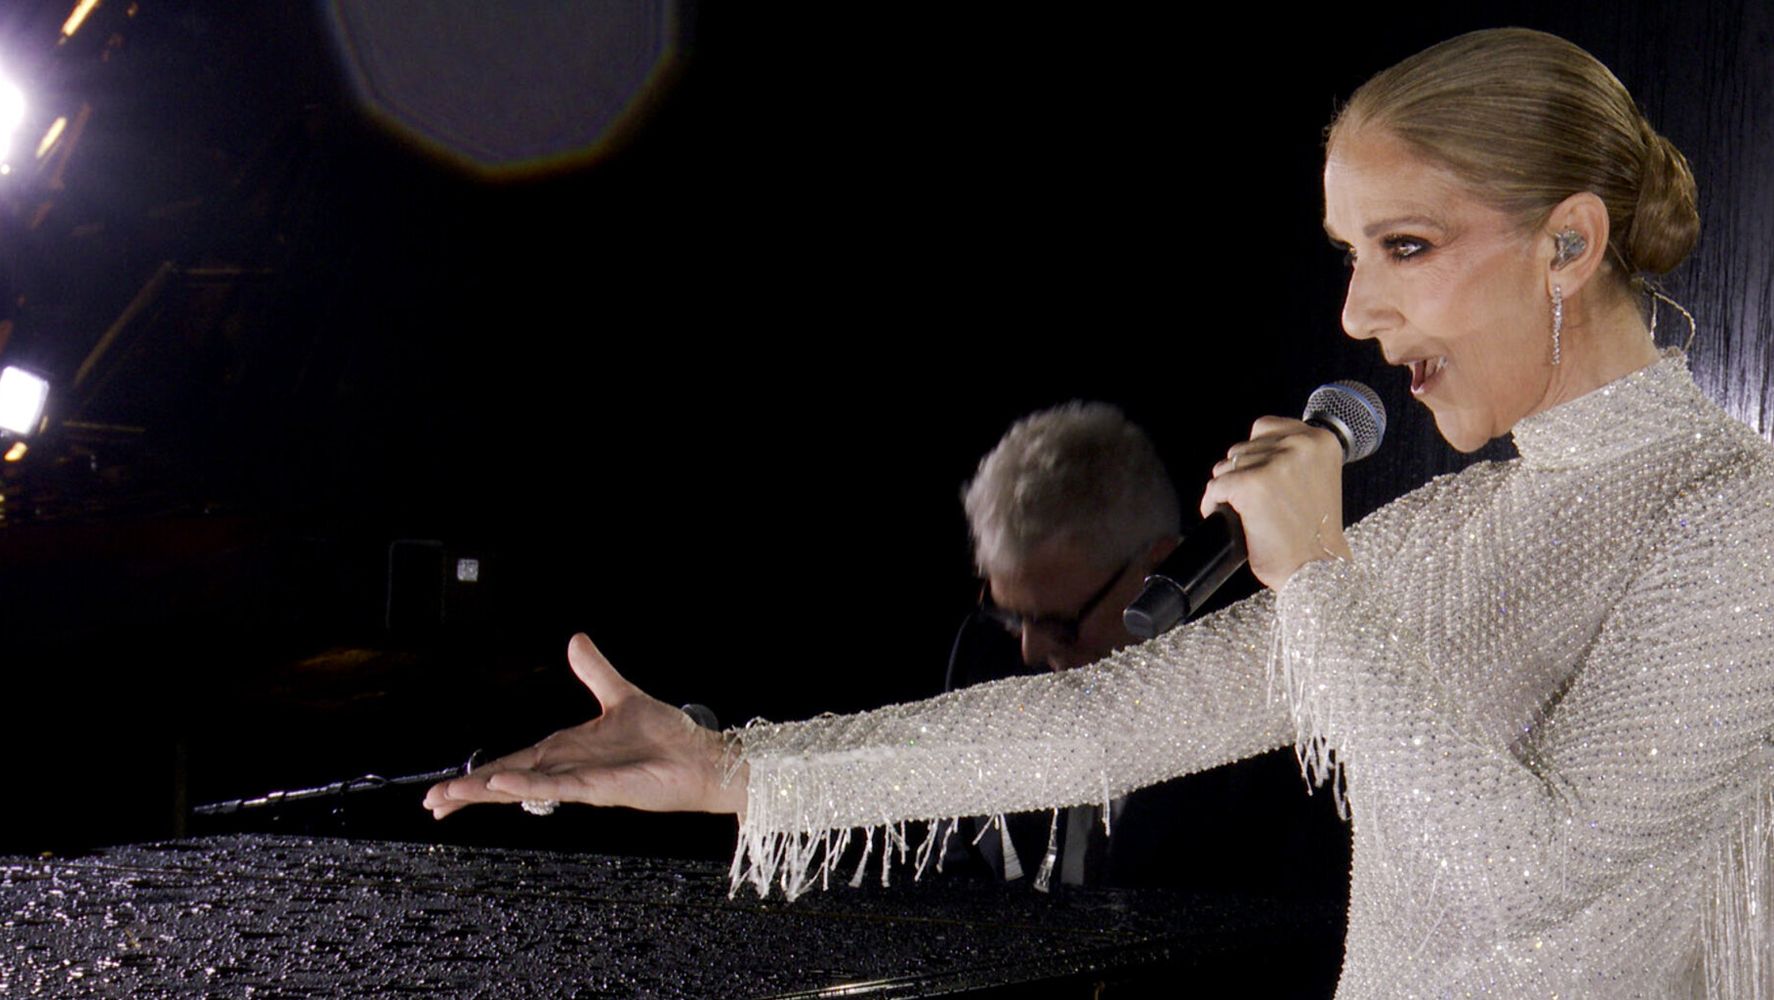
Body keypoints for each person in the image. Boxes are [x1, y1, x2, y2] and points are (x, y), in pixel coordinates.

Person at [426, 29, 1774, 998]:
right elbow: (1102, 718)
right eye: (1350, 257)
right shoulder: (1442, 535)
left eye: (1403, 247)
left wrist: (1310, 570)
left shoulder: (1736, 522)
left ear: (1567, 243)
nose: (1357, 315)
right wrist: (736, 772)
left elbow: (1523, 879)